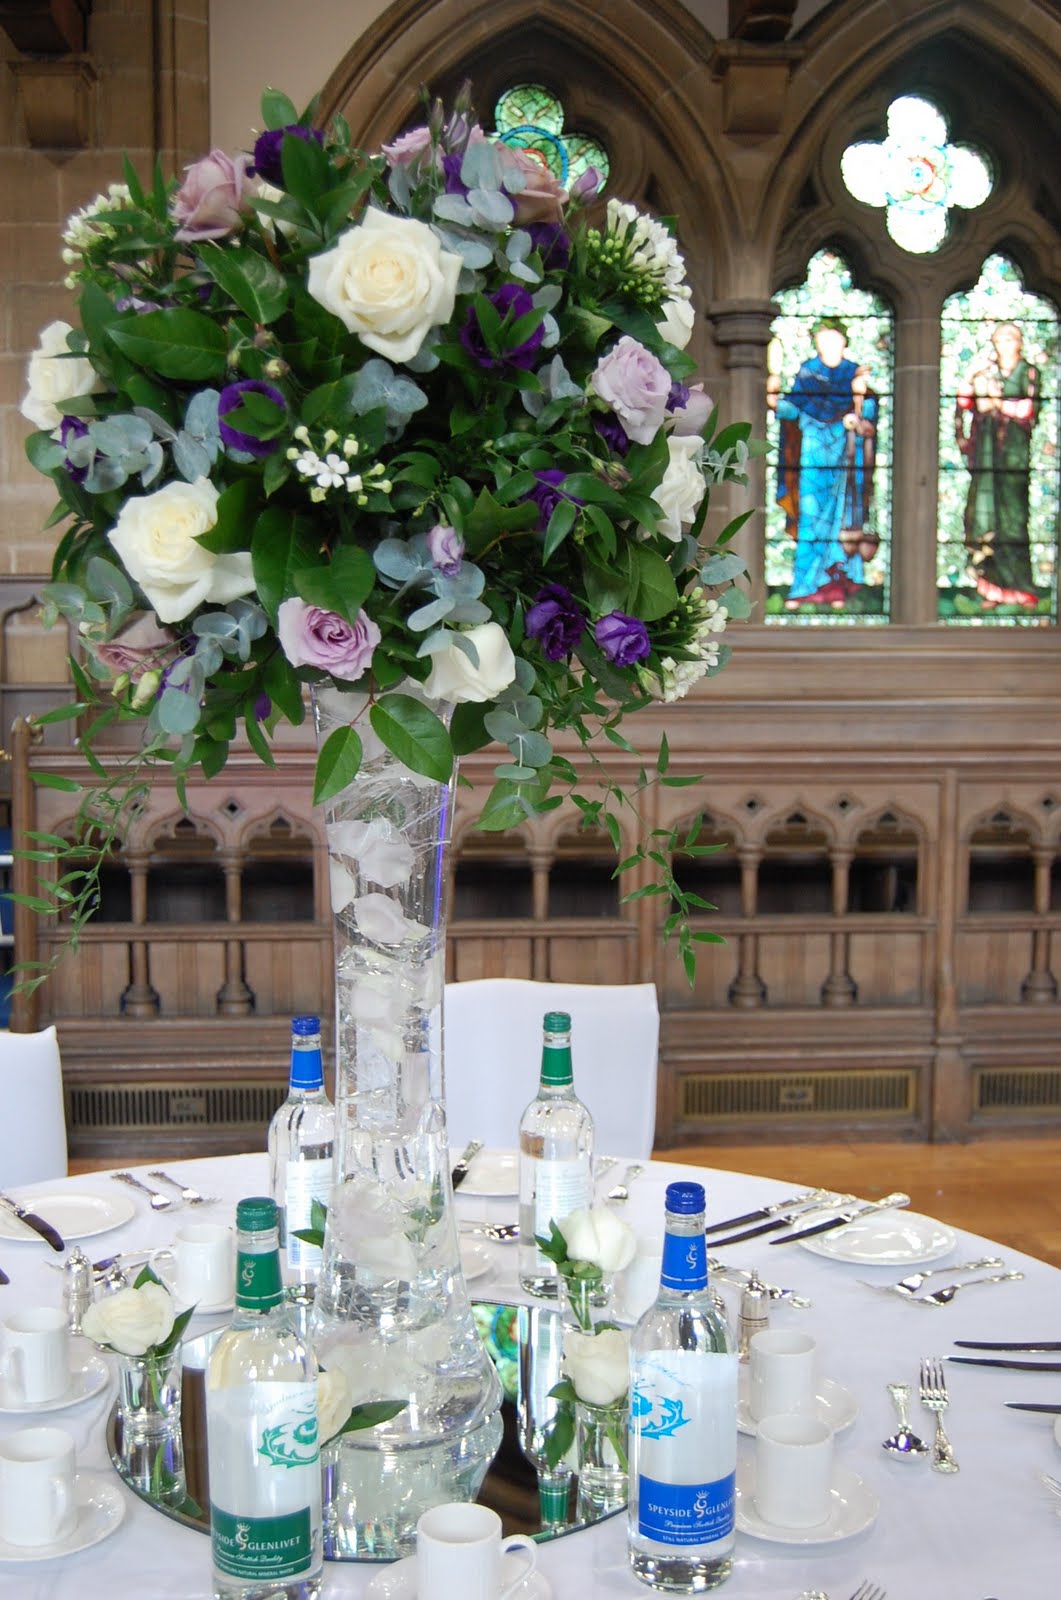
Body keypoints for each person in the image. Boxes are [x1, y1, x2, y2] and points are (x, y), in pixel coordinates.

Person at [769, 316, 879, 609]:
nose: (828, 344)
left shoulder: (855, 375)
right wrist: (772, 396)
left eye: (834, 338)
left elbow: (868, 419)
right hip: (813, 458)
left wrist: (859, 415)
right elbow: (790, 410)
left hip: (846, 462)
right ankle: (805, 587)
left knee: (844, 519)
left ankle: (838, 587)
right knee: (811, 520)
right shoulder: (808, 373)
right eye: (822, 339)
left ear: (844, 341)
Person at [955, 321, 1040, 610]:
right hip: (986, 456)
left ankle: (1019, 587)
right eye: (999, 339)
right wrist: (970, 376)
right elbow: (965, 403)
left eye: (1010, 338)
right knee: (984, 518)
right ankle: (990, 589)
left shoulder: (1028, 372)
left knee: (1013, 520)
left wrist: (998, 402)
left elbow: (1028, 410)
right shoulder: (986, 372)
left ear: (1019, 343)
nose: (1004, 344)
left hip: (1013, 457)